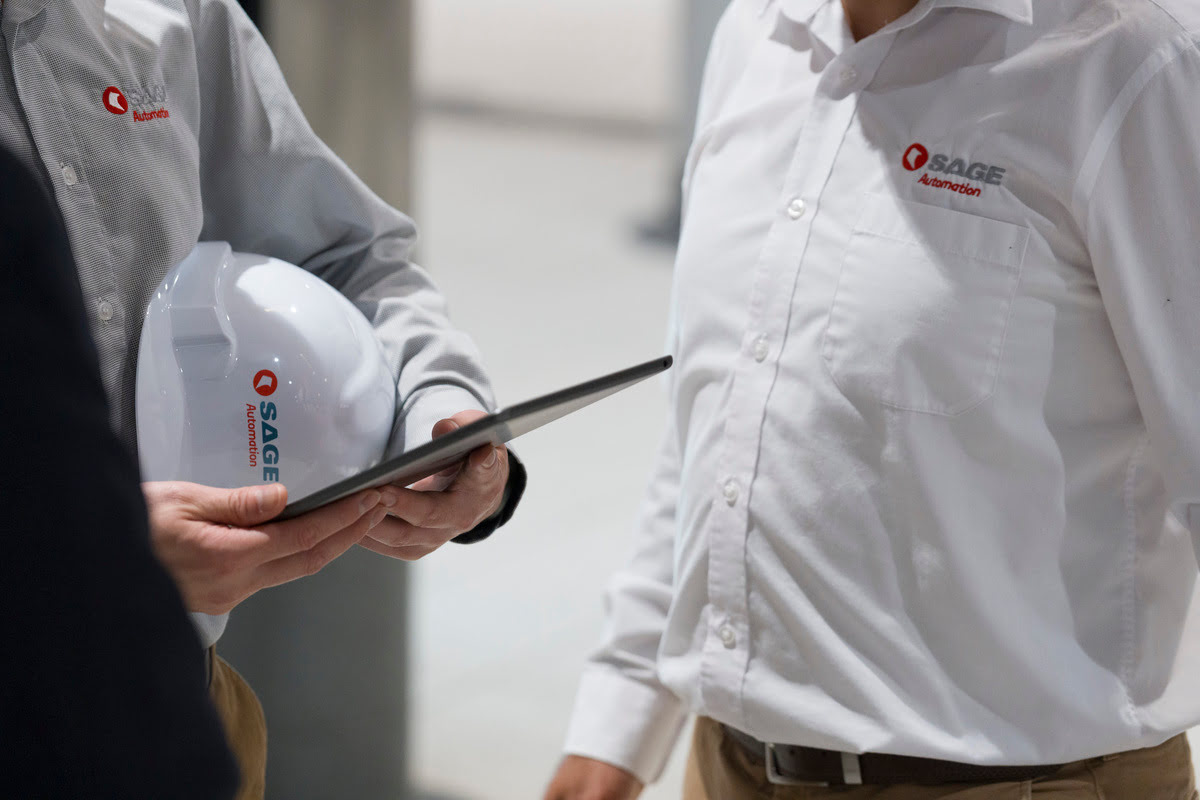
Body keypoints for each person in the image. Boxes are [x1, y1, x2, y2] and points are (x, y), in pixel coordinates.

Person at [546, 0, 1200, 798]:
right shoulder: (758, 32)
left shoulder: (1134, 65)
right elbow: (727, 410)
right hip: (729, 769)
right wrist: (620, 715)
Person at [0, 1, 525, 797]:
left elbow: (344, 254)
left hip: (185, 705)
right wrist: (80, 560)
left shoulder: (166, 15)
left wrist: (437, 411)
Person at [0, 146, 238, 800]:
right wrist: (114, 548)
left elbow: (353, 248)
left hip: (179, 681)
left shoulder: (172, 40)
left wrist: (434, 405)